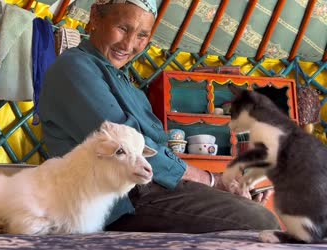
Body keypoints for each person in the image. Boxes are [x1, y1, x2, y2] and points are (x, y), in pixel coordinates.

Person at [38, 0, 280, 233]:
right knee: (260, 218)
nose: (129, 44)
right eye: (122, 28)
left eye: (142, 36)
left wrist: (225, 190)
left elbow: (159, 153)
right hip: (116, 200)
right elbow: (127, 149)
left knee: (253, 213)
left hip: (150, 188)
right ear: (94, 17)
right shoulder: (74, 67)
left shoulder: (127, 85)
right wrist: (212, 181)